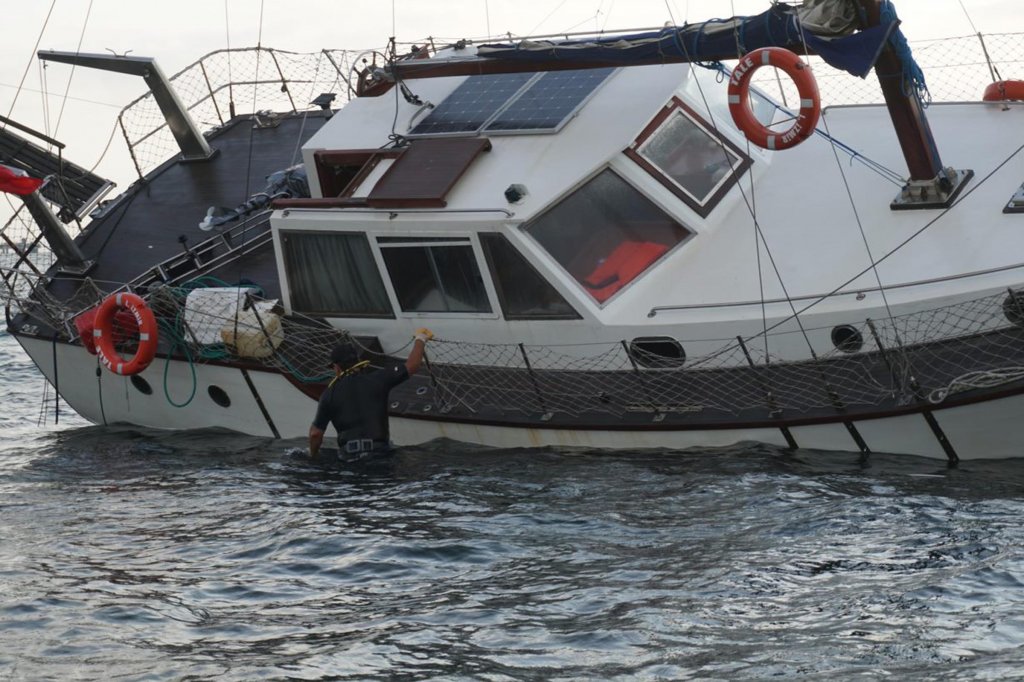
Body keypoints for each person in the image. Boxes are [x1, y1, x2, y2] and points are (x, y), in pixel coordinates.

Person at [308, 328, 433, 460]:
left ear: (337, 367)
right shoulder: (378, 379)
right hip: (380, 454)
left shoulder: (329, 394)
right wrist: (420, 339)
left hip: (350, 457)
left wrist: (313, 454)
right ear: (358, 361)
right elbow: (412, 365)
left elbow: (315, 434)